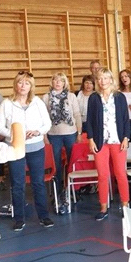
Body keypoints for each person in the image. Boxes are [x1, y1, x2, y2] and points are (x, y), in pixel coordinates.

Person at [0, 71, 54, 231]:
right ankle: (19, 218)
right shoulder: (7, 103)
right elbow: (0, 126)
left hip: (36, 147)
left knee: (38, 183)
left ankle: (44, 216)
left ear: (31, 86)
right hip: (15, 148)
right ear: (16, 84)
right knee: (17, 183)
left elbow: (47, 124)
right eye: (20, 82)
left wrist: (37, 132)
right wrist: (16, 134)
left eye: (27, 83)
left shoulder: (37, 102)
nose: (23, 86)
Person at [86, 68, 130, 221]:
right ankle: (103, 207)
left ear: (111, 80)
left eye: (105, 78)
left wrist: (126, 138)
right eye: (99, 78)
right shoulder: (93, 98)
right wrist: (90, 139)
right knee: (103, 175)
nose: (102, 81)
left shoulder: (119, 97)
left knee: (120, 174)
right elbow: (89, 120)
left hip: (118, 141)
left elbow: (125, 119)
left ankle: (125, 205)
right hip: (100, 142)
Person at [42, 72, 83, 210]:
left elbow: (77, 115)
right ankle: (58, 193)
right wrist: (45, 137)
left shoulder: (71, 96)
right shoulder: (46, 97)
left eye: (61, 80)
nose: (58, 82)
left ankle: (72, 190)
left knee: (72, 163)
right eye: (55, 80)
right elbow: (43, 118)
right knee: (57, 165)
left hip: (70, 133)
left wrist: (79, 132)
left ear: (65, 83)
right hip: (53, 134)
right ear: (52, 82)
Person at [119, 69, 131, 142]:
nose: (124, 78)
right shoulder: (119, 93)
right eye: (122, 77)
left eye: (126, 76)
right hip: (124, 121)